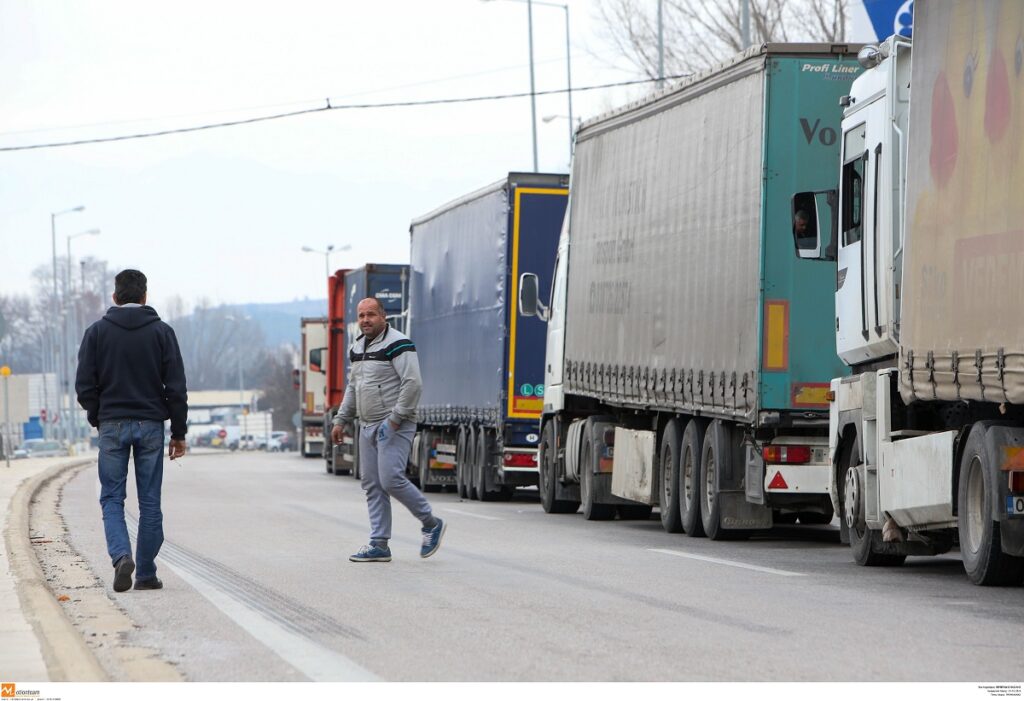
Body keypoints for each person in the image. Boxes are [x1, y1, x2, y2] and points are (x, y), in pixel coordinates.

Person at [76, 269, 188, 592]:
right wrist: (178, 433)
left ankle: (121, 555)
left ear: (115, 297)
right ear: (144, 297)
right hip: (151, 425)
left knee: (111, 497)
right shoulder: (162, 333)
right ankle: (146, 573)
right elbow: (176, 387)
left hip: (111, 424)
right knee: (150, 502)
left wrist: (99, 416)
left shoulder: (96, 333)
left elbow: (84, 385)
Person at [330, 297, 445, 562]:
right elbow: (353, 387)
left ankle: (430, 522)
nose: (365, 320)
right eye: (361, 316)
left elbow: (413, 383)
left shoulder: (398, 343)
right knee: (372, 484)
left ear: (383, 316)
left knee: (391, 478)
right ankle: (379, 543)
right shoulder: (357, 347)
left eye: (371, 314)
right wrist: (341, 419)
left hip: (395, 423)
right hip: (367, 424)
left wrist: (394, 420)